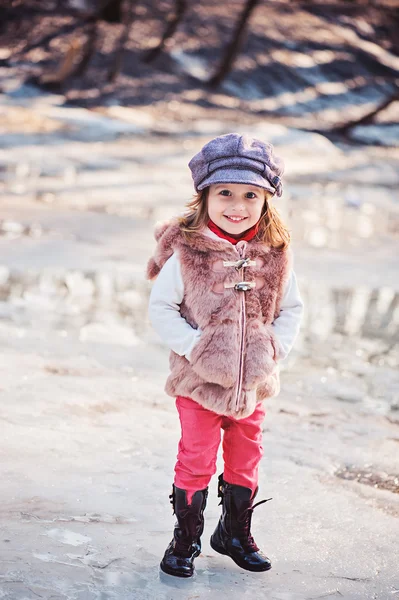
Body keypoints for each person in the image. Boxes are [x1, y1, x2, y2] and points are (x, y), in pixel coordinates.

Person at [147, 133, 303, 578]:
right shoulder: (188, 253)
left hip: (252, 385)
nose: (237, 204)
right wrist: (196, 347)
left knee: (246, 454)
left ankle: (234, 532)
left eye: (250, 195)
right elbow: (161, 309)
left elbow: (292, 309)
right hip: (198, 383)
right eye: (225, 193)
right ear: (206, 196)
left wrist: (273, 348)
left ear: (266, 200)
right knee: (195, 456)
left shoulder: (274, 255)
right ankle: (186, 537)